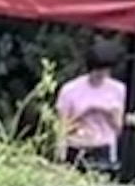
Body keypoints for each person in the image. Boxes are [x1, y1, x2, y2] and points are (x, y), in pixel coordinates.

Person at [56, 36, 130, 177]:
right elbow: (63, 126)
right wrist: (85, 113)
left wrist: (107, 113)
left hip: (103, 146)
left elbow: (118, 128)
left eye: (105, 70)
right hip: (77, 145)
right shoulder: (70, 90)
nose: (101, 74)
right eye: (98, 70)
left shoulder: (118, 89)